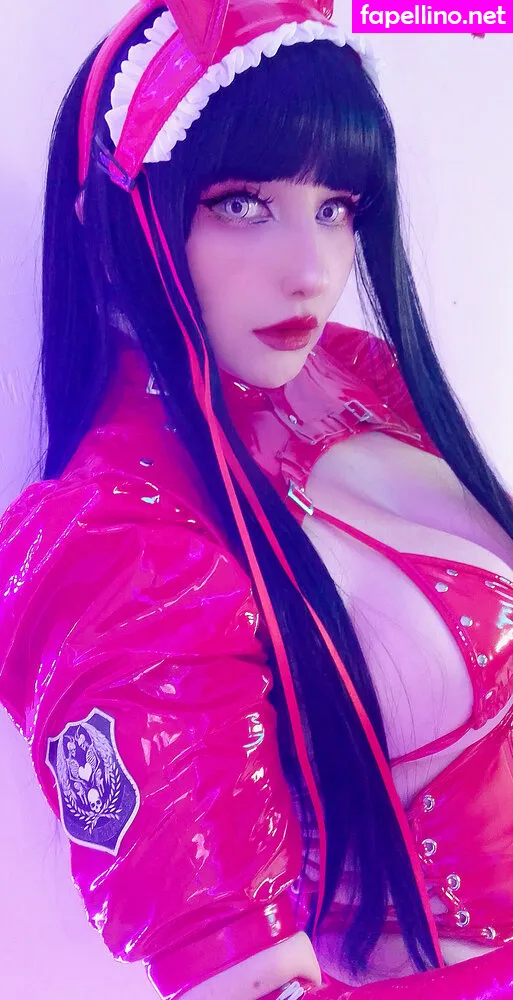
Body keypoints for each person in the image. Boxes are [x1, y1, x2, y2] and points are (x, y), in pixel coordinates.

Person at [1, 1, 513, 997]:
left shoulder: (348, 374)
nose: (312, 271)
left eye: (336, 206)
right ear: (116, 218)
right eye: (242, 203)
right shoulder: (115, 547)